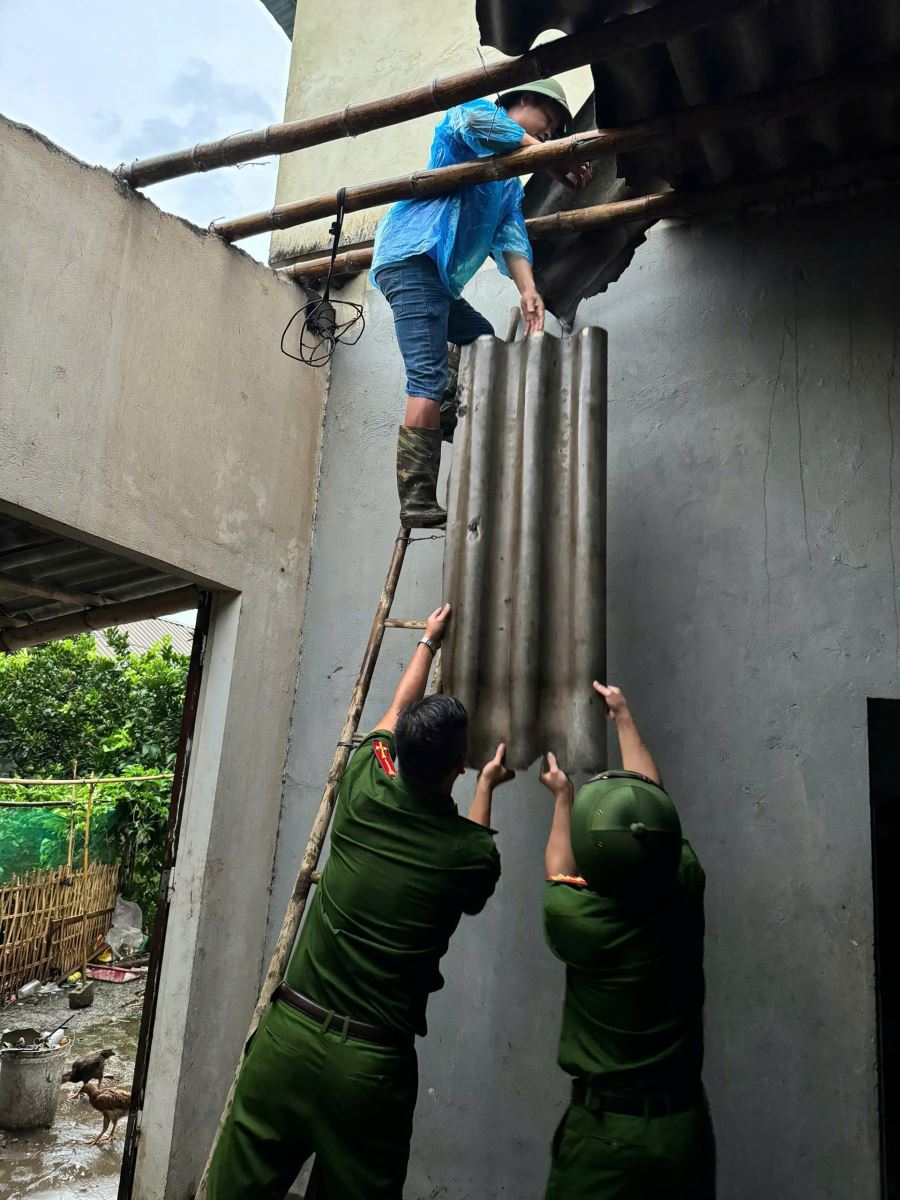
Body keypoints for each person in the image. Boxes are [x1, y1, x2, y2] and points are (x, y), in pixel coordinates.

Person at [206, 602, 516, 1199]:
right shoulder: (469, 856)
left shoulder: (364, 782)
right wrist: (486, 787)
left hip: (288, 1037)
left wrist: (428, 641)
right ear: (460, 762)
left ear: (397, 751)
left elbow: (397, 708)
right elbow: (475, 852)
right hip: (370, 1069)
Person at [371, 80, 591, 528]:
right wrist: (546, 155)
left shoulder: (506, 186)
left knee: (481, 339)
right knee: (426, 378)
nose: (549, 133)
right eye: (549, 121)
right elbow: (470, 119)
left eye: (553, 132)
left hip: (436, 280)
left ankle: (445, 411)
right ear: (523, 99)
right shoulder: (472, 126)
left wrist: (528, 291)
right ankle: (416, 498)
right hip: (412, 259)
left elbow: (510, 236)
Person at [537, 681, 715, 1200]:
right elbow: (654, 812)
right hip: (682, 1128)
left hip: (603, 1136)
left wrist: (563, 798)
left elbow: (558, 870)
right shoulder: (685, 884)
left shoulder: (577, 921)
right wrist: (622, 715)